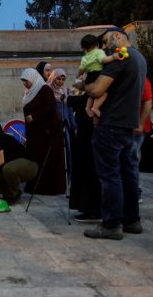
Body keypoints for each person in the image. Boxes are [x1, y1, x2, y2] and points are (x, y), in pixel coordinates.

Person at [84, 27, 146, 240]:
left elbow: (98, 89)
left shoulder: (121, 58)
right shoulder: (139, 58)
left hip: (110, 123)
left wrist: (86, 84)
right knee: (127, 173)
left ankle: (111, 224)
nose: (103, 47)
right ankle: (132, 220)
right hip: (127, 124)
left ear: (118, 36)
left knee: (109, 175)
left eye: (105, 41)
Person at [20, 68, 66, 195]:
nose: (25, 84)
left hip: (47, 133)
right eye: (23, 81)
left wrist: (34, 117)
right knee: (36, 160)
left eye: (26, 81)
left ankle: (48, 189)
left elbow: (50, 109)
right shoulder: (29, 92)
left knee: (48, 161)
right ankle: (34, 186)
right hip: (35, 134)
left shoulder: (44, 89)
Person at [67, 91, 101, 222]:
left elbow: (93, 91)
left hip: (90, 132)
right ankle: (92, 209)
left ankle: (93, 210)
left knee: (89, 169)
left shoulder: (100, 78)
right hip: (88, 130)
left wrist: (70, 99)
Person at [78, 34, 120, 118]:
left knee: (90, 95)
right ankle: (95, 108)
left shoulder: (84, 58)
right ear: (97, 45)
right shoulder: (99, 52)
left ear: (84, 48)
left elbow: (81, 70)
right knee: (103, 93)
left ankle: (88, 107)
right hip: (97, 75)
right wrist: (114, 57)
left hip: (89, 77)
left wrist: (79, 75)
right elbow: (103, 60)